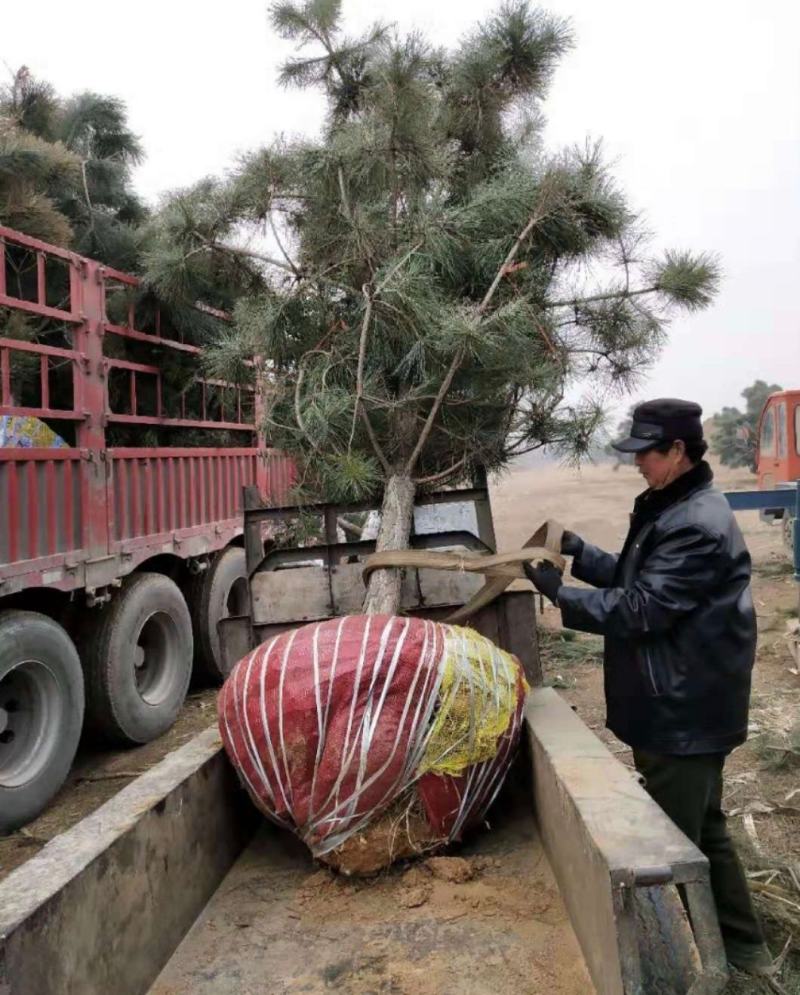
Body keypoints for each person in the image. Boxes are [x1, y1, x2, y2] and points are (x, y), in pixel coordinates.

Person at [525, 398, 771, 976]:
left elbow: (642, 607)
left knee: (672, 848)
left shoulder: (695, 526)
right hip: (684, 700)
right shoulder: (676, 508)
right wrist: (581, 556)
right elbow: (641, 579)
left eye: (646, 454)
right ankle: (746, 952)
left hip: (683, 710)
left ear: (678, 451)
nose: (637, 464)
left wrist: (559, 594)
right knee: (705, 831)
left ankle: (685, 971)